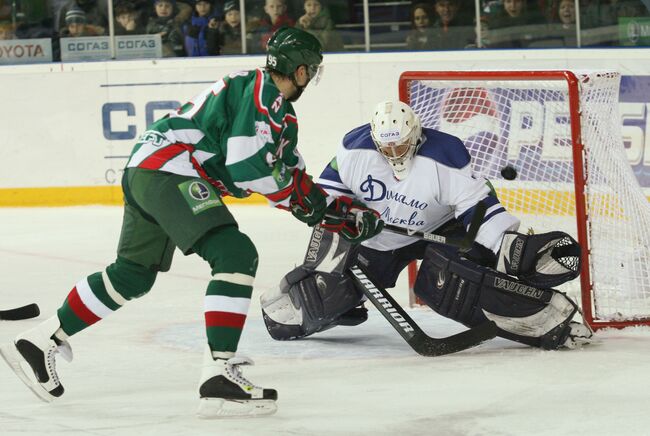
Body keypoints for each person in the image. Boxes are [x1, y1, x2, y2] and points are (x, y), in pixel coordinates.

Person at [0, 26, 381, 418]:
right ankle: (219, 374)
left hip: (149, 167)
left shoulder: (276, 111)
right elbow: (249, 169)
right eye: (310, 70)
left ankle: (38, 339)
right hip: (169, 169)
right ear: (300, 70)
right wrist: (324, 212)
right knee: (235, 253)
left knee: (132, 274)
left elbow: (292, 177)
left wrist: (335, 212)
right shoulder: (260, 94)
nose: (310, 78)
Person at [261, 100, 594, 351]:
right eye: (386, 146)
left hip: (444, 229)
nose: (393, 152)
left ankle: (551, 319)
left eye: (401, 144)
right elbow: (327, 199)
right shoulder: (354, 148)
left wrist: (510, 247)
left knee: (444, 282)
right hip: (379, 237)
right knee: (324, 295)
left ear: (416, 135)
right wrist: (348, 217)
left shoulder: (445, 155)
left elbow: (479, 210)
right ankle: (346, 302)